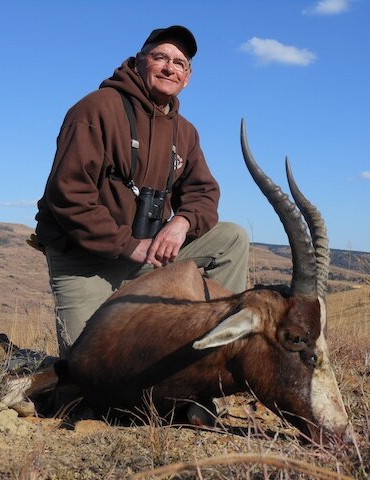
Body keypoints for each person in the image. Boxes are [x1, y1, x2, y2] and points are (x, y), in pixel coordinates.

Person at [33, 25, 249, 357]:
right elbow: (68, 193)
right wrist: (127, 245)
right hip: (87, 258)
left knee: (232, 238)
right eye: (161, 57)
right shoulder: (95, 109)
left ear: (187, 78)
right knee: (88, 368)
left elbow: (204, 193)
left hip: (148, 254)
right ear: (138, 62)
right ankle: (17, 361)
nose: (169, 67)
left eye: (180, 63)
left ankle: (215, 352)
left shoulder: (186, 132)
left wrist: (182, 223)